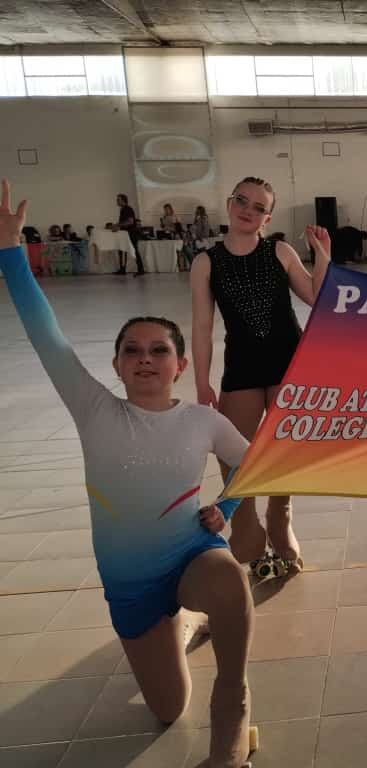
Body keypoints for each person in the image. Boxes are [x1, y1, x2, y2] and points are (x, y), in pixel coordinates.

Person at [0, 179, 258, 768]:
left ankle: (234, 701)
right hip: (131, 585)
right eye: (132, 350)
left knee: (226, 578)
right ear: (116, 365)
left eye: (158, 350)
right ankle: (179, 622)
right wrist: (11, 252)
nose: (145, 358)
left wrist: (232, 507)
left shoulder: (202, 420)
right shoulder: (94, 409)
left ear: (181, 364)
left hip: (191, 553)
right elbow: (47, 337)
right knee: (167, 710)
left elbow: (252, 465)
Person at [191, 176, 330, 575]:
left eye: (257, 207)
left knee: (285, 447)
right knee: (235, 451)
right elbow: (202, 327)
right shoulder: (206, 262)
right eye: (242, 201)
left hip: (290, 362)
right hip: (243, 366)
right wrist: (202, 383)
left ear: (267, 217)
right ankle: (246, 523)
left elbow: (316, 298)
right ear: (230, 202)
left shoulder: (280, 251)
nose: (247, 211)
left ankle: (281, 516)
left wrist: (323, 255)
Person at [116, 193, 144, 277]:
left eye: (118, 199)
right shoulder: (122, 209)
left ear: (123, 200)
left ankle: (141, 269)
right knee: (122, 250)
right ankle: (122, 269)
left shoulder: (128, 209)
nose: (117, 201)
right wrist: (118, 226)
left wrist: (118, 225)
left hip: (131, 233)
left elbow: (130, 221)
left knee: (134, 251)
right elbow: (125, 222)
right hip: (124, 234)